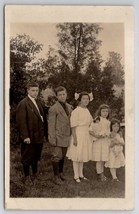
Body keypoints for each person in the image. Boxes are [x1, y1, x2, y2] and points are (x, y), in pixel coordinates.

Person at [16, 82, 46, 185]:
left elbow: (42, 115)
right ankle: (26, 177)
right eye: (33, 90)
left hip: (38, 135)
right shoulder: (23, 103)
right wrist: (25, 136)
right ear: (28, 90)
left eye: (37, 90)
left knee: (35, 156)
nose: (35, 92)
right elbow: (21, 122)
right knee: (27, 156)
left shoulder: (38, 102)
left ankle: (35, 175)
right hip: (29, 136)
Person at [66, 92, 93, 183]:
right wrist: (75, 138)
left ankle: (81, 174)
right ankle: (76, 175)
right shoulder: (76, 111)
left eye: (87, 99)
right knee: (76, 154)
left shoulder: (87, 110)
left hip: (85, 134)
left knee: (82, 154)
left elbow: (91, 122)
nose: (86, 101)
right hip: (78, 134)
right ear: (80, 100)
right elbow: (73, 126)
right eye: (84, 99)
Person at [48, 86, 72, 185]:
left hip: (66, 136)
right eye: (60, 95)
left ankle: (61, 173)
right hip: (58, 136)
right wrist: (52, 138)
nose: (62, 96)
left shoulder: (69, 107)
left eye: (64, 94)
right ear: (56, 96)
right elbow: (51, 125)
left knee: (62, 156)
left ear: (66, 94)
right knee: (56, 156)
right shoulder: (53, 109)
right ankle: (56, 176)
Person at [89, 104, 110, 181]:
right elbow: (91, 130)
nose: (105, 113)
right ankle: (99, 174)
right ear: (100, 112)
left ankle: (102, 174)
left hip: (104, 142)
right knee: (98, 158)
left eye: (106, 111)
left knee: (102, 158)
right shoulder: (97, 119)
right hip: (98, 141)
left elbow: (108, 131)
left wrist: (106, 134)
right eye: (103, 111)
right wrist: (97, 136)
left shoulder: (108, 121)